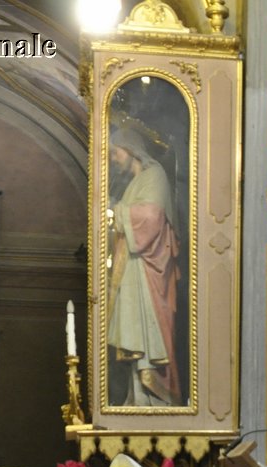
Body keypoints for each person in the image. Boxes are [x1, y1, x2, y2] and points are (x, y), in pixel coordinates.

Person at [107, 124, 184, 407]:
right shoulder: (133, 185)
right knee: (134, 344)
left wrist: (116, 211)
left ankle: (152, 400)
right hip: (134, 271)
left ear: (131, 150)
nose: (114, 159)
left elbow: (151, 218)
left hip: (150, 272)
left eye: (115, 153)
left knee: (150, 342)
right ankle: (136, 397)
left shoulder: (155, 175)